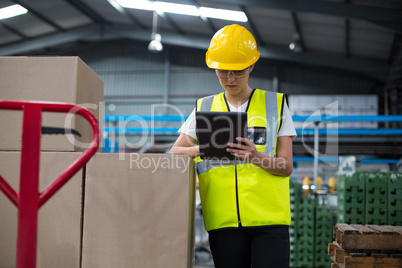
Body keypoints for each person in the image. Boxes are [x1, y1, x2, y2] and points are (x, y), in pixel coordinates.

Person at [170, 24, 296, 268]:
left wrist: (254, 155)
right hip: (223, 223)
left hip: (269, 223)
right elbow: (174, 152)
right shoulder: (204, 108)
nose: (230, 79)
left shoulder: (276, 105)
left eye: (237, 71)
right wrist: (201, 149)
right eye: (223, 71)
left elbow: (286, 166)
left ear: (251, 66)